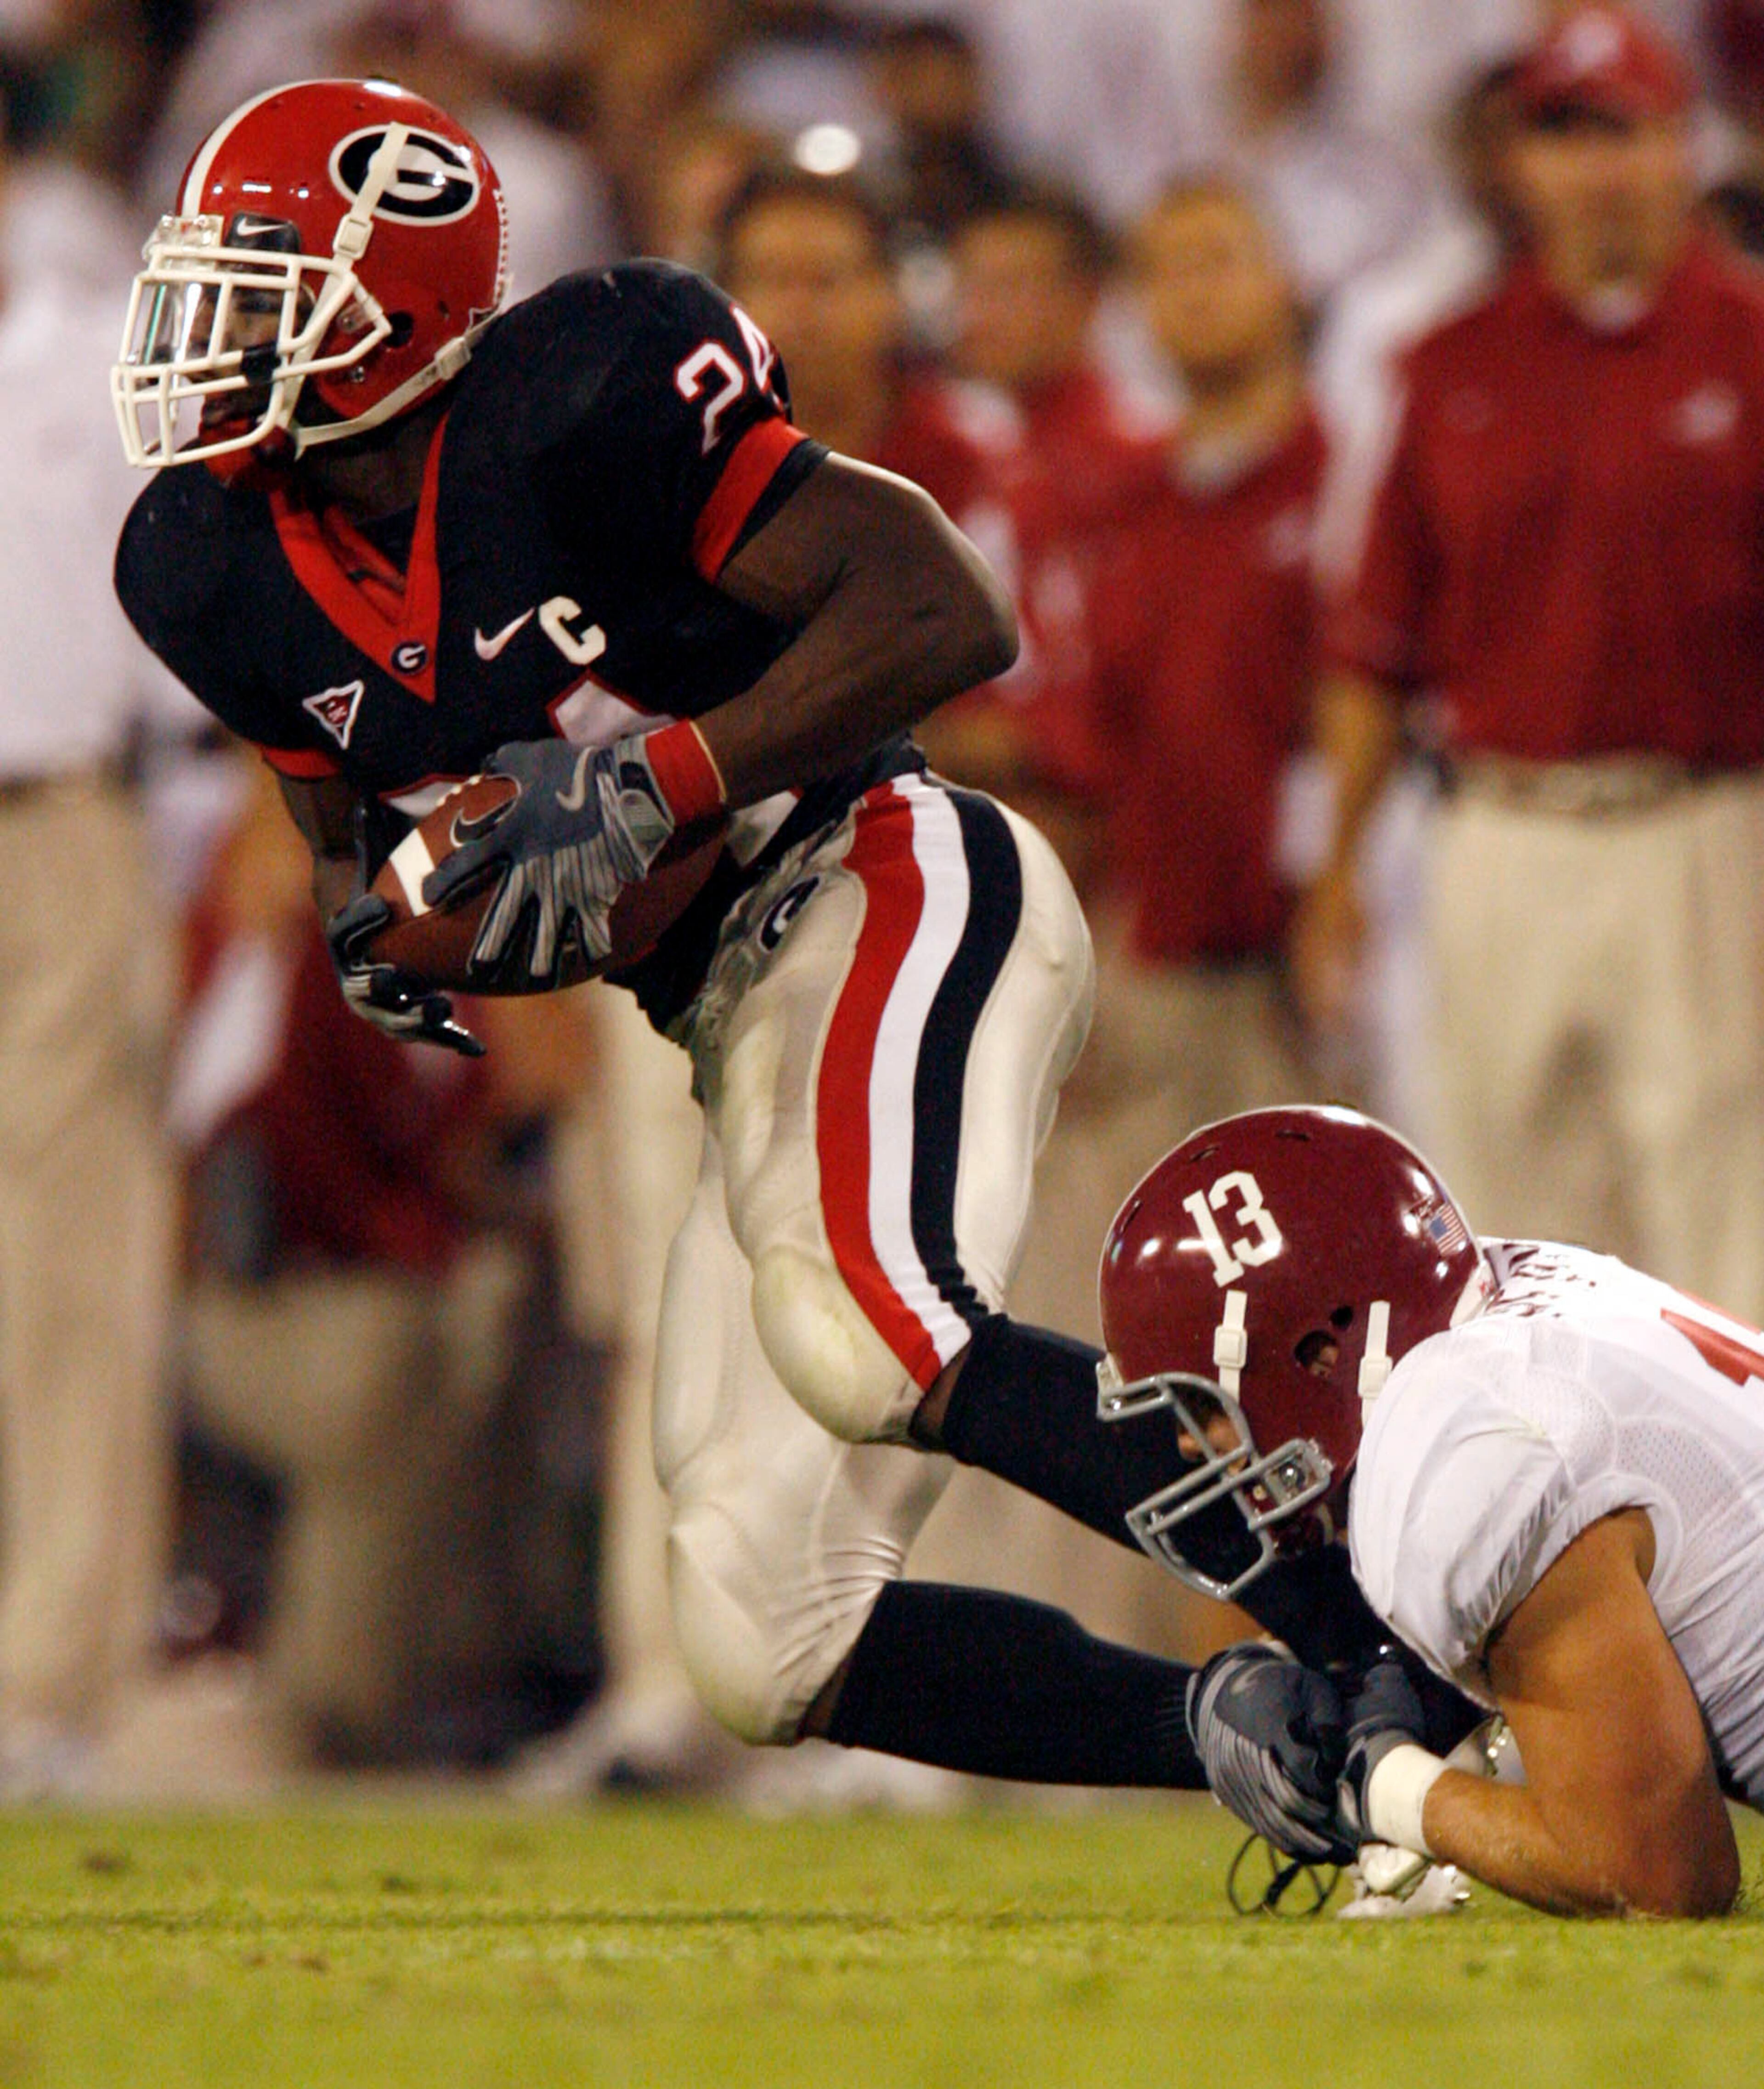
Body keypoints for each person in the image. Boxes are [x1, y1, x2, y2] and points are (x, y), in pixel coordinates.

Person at [112, 78, 1434, 1797]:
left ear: (397, 303)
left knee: (869, 1329)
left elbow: (944, 606)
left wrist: (661, 774)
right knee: (760, 1629)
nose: (216, 329)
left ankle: (1392, 1620)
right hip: (718, 1010)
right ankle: (1305, 1755)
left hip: (885, 866)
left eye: (268, 279)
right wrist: (404, 935)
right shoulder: (207, 558)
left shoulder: (582, 394)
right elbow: (363, 849)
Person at [1293, 5, 1764, 1323]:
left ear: (1687, 148)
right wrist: (1336, 870)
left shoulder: (1750, 346)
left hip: (1706, 827)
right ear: (1520, 163)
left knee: (1721, 1209)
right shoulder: (1448, 366)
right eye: (1565, 134)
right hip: (1498, 827)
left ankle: (1733, 1528)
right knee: (1515, 1222)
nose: (1597, 167)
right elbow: (1374, 644)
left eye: (1625, 131)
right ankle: (1567, 1522)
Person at [1100, 1103, 1762, 1917]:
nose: (1192, 1451)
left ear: (1319, 1353)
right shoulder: (1521, 1295)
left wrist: (1380, 1786)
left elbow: (1663, 1875)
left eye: (1199, 1407)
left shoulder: (1458, 1447)